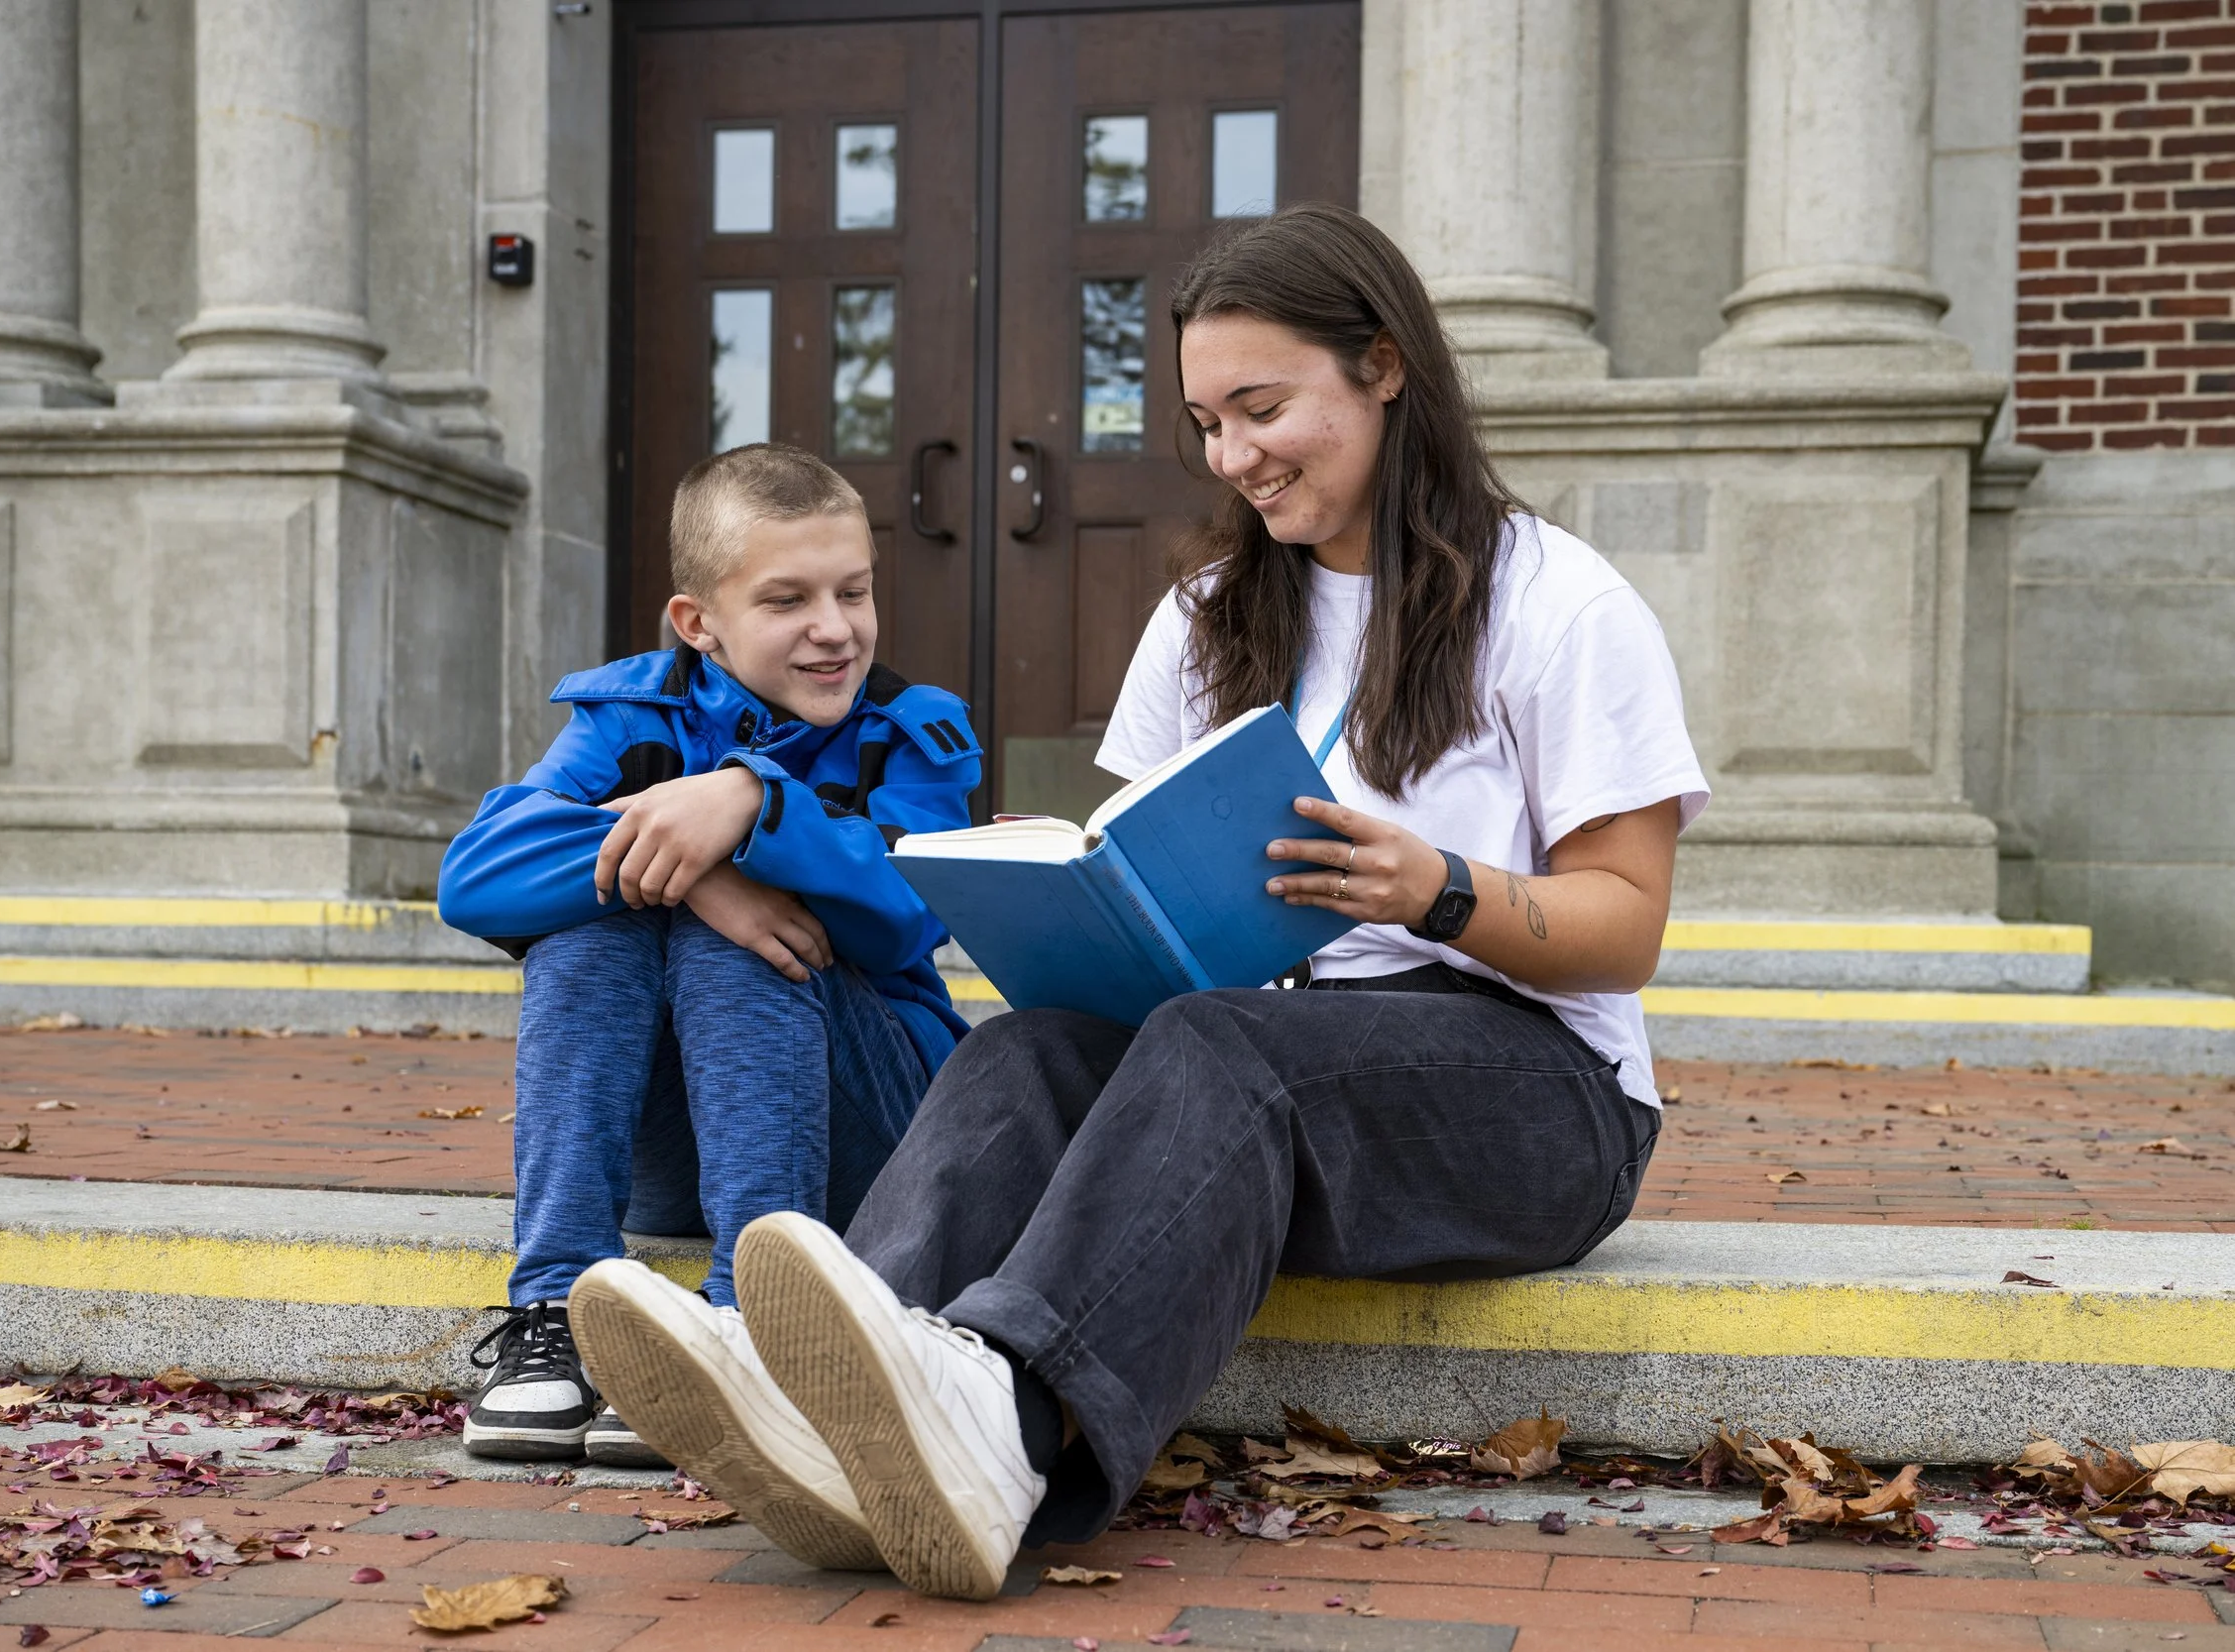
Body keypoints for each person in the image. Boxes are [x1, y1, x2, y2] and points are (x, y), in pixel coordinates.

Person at [568, 202, 1710, 1597]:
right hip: (1267, 1066)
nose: (1234, 456)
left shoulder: (1558, 605)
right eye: (1207, 421)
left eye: (1263, 408)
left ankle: (1010, 1424)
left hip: (1539, 1094)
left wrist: (1437, 888)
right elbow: (1136, 867)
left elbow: (1626, 925)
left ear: (1387, 366)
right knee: (1028, 1046)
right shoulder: (1213, 613)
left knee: (1225, 1049)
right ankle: (819, 1388)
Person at [434, 443, 977, 1488]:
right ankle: (556, 1297)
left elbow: (910, 909)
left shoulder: (907, 735)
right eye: (788, 599)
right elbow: (476, 871)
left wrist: (749, 801)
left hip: (867, 1126)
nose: (834, 627)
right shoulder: (631, 720)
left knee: (719, 934)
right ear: (699, 622)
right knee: (595, 919)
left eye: (854, 591)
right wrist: (700, 871)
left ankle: (748, 1316)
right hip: (677, 1151)